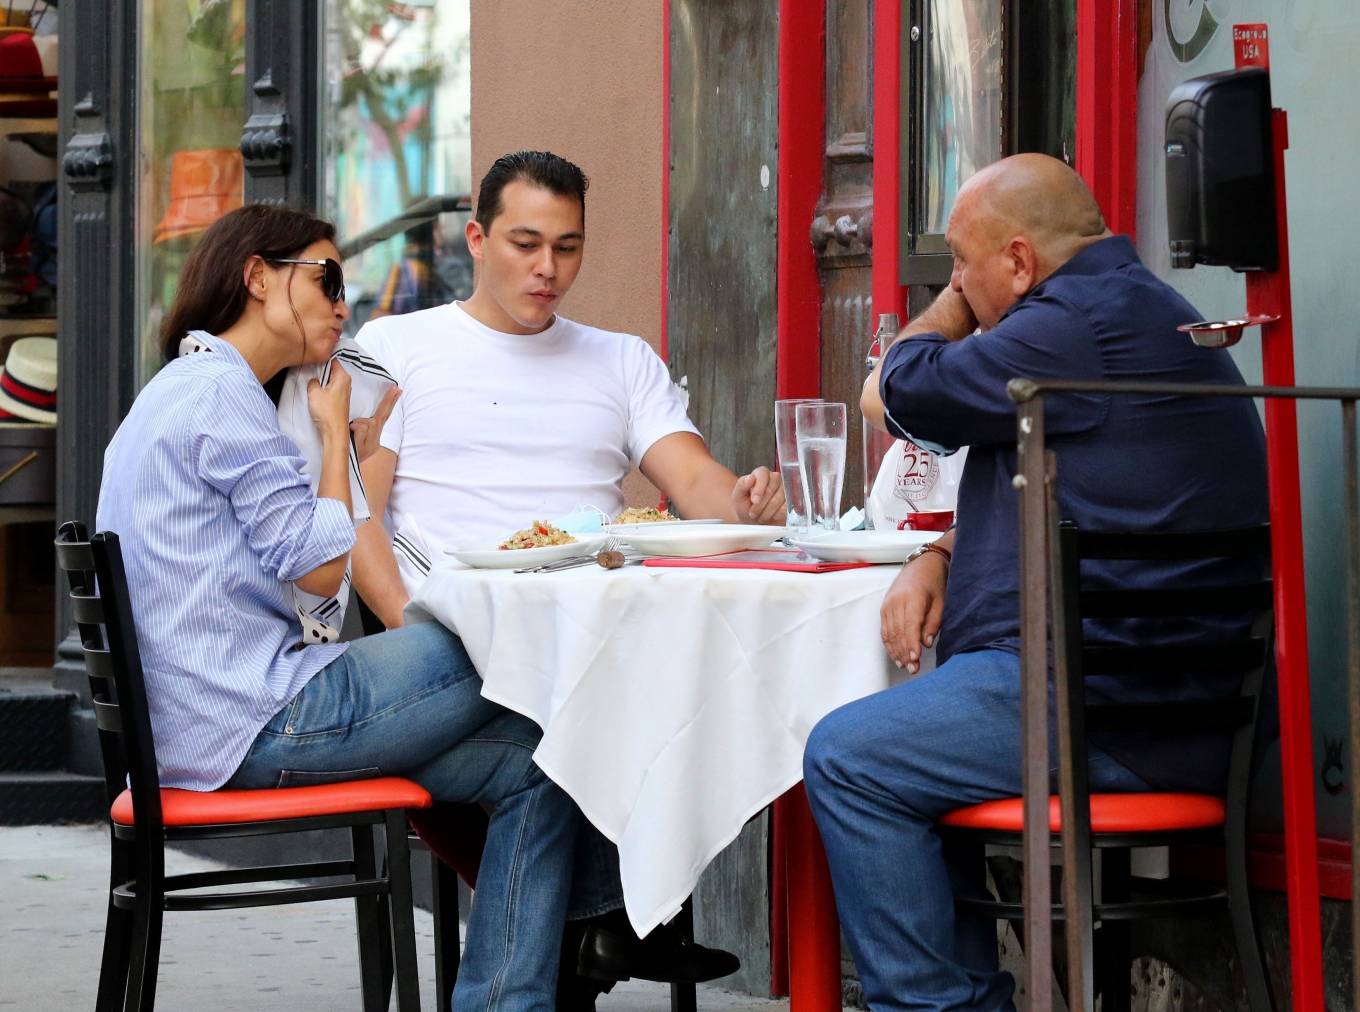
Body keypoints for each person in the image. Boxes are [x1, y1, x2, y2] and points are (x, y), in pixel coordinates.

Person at [93, 204, 650, 1011]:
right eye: (324, 279)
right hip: (252, 719)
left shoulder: (187, 389)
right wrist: (334, 441)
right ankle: (613, 917)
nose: (342, 303)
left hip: (206, 722)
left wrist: (336, 447)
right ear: (257, 278)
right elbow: (321, 572)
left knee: (540, 756)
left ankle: (521, 990)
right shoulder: (222, 398)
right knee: (492, 641)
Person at [802, 154, 1268, 1010]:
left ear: (1017, 262)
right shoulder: (1137, 307)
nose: (957, 284)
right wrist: (939, 556)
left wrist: (945, 310)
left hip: (1098, 708)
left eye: (961, 263)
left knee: (850, 756)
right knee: (903, 748)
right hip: (1151, 700)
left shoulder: (1067, 322)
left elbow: (901, 388)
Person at [350, 149, 785, 627]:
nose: (547, 268)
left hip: (595, 621)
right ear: (477, 239)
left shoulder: (622, 358)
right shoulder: (394, 345)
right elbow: (358, 517)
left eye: (566, 247)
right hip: (449, 625)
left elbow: (693, 479)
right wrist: (407, 629)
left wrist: (746, 506)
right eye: (525, 244)